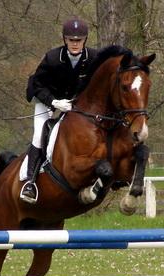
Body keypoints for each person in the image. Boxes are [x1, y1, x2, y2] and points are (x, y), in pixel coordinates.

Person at [20, 17, 98, 204]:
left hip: (75, 106)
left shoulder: (93, 58)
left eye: (79, 40)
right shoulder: (53, 58)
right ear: (65, 39)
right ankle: (30, 182)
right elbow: (36, 86)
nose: (75, 44)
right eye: (71, 40)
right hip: (48, 102)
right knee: (39, 135)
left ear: (85, 40)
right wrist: (54, 102)